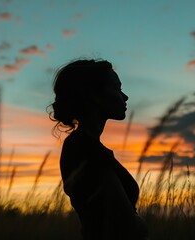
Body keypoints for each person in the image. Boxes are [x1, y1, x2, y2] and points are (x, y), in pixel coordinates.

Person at [49, 59, 149, 240]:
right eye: (117, 88)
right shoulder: (83, 147)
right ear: (94, 94)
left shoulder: (88, 146)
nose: (124, 96)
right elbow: (125, 225)